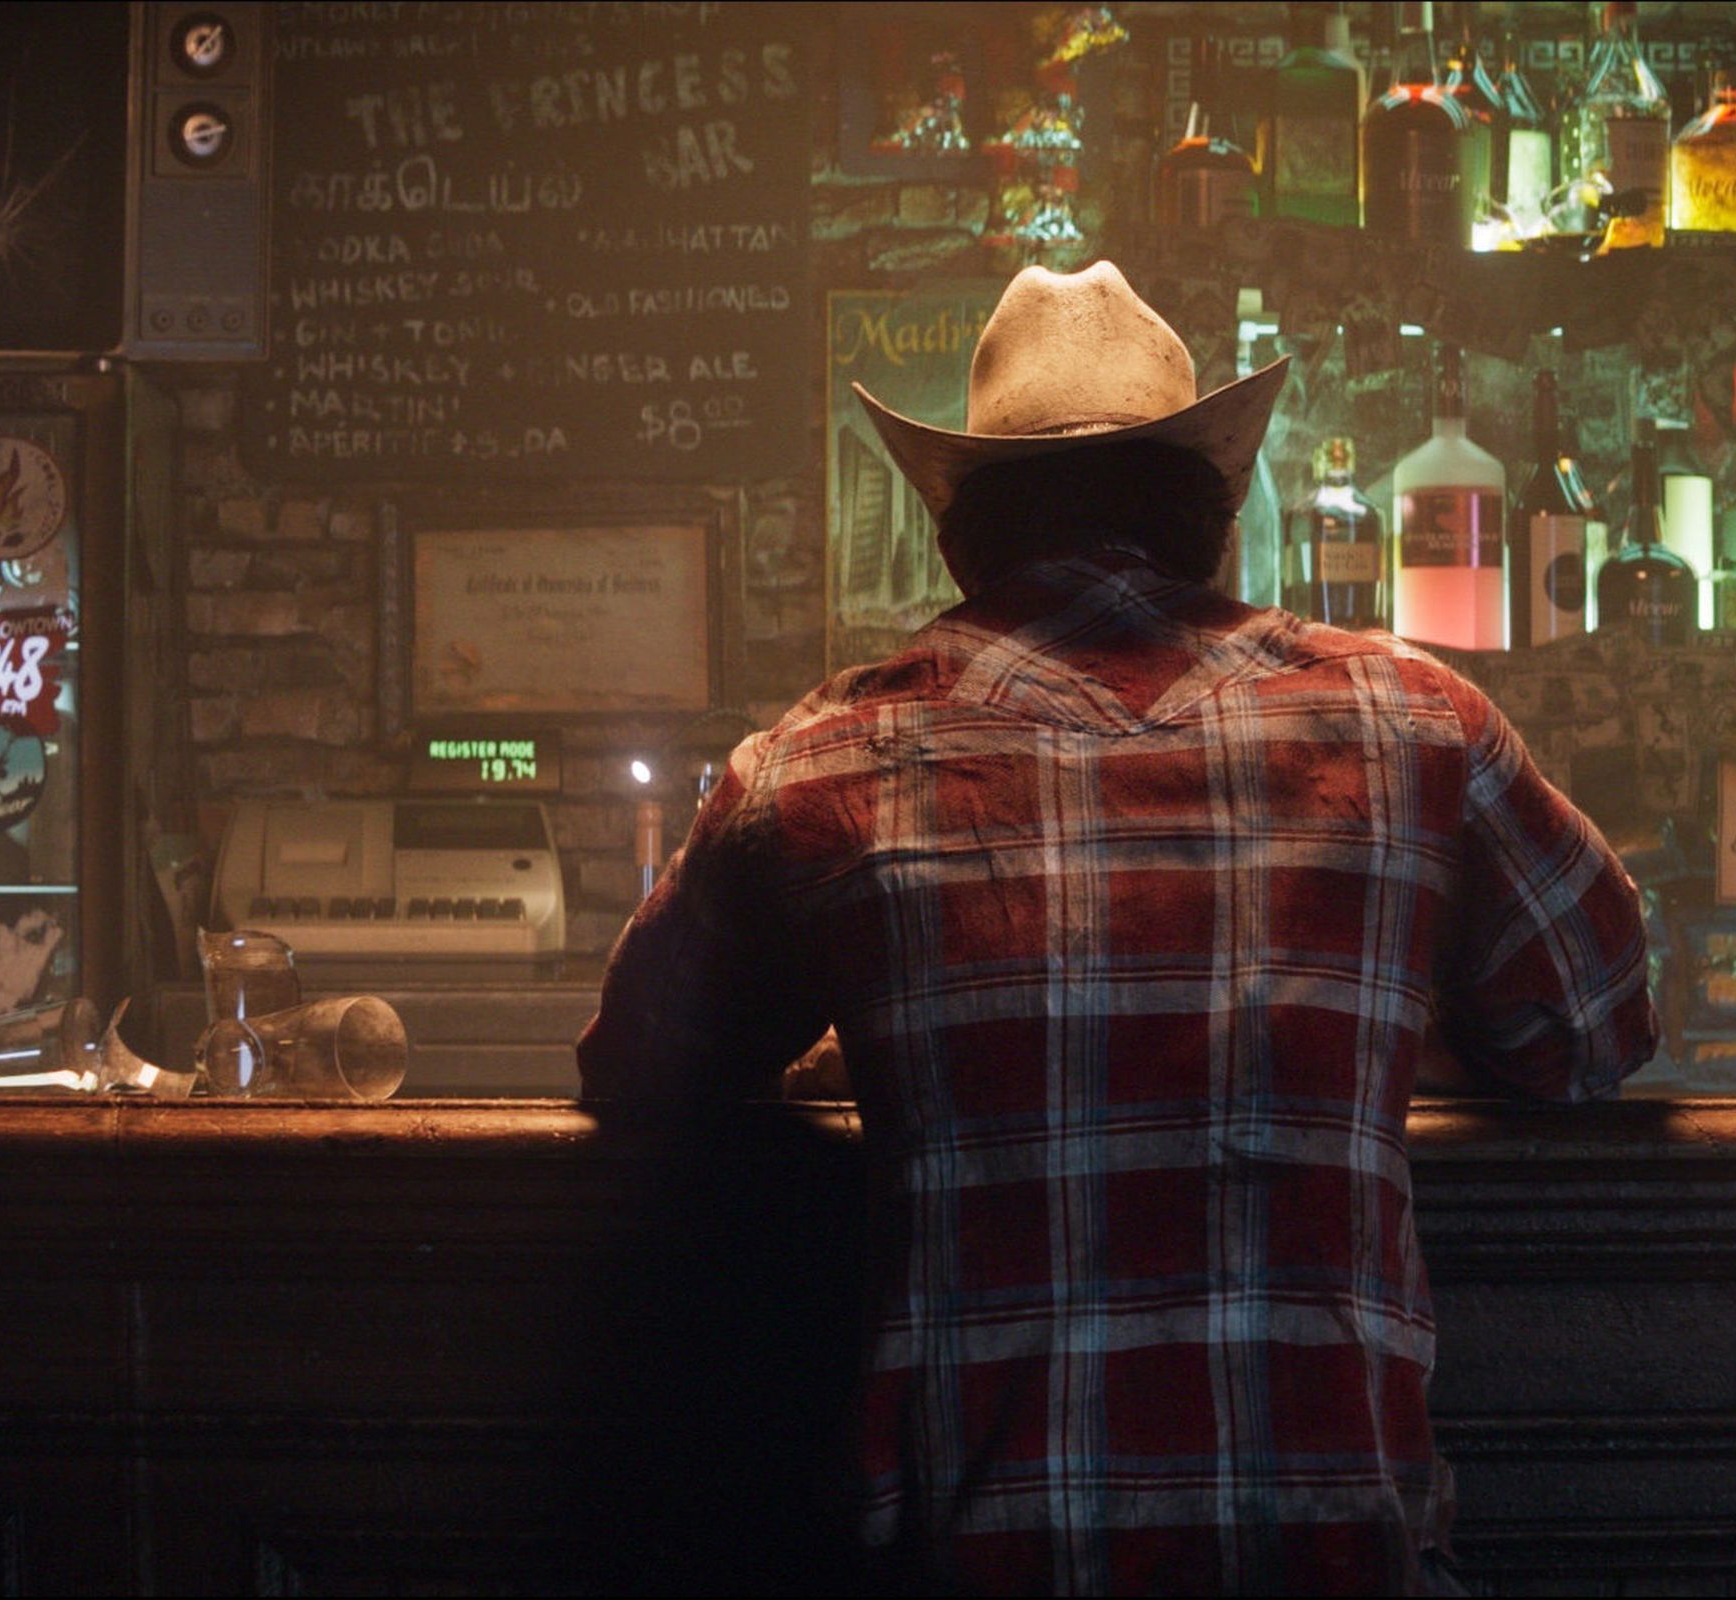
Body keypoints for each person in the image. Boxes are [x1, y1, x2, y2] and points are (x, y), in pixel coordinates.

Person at [578, 261, 1656, 1595]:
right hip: (1337, 1563)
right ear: (1209, 516)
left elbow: (640, 1067)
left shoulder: (813, 765)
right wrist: (1358, 1021)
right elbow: (1594, 1032)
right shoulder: (1414, 722)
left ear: (959, 534)